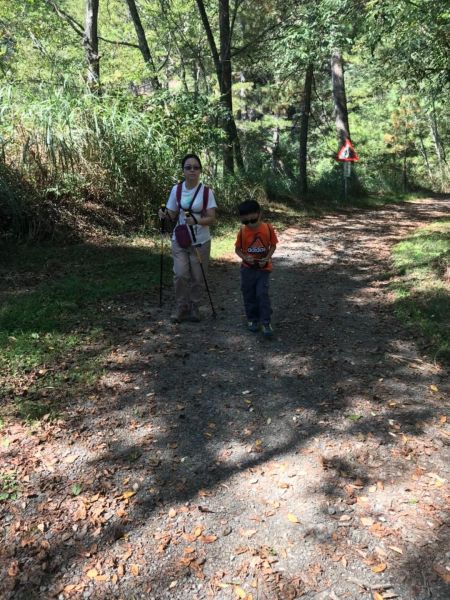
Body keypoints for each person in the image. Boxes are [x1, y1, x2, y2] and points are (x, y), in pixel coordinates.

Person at [159, 154, 217, 323]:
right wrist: (163, 213)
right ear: (183, 170)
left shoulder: (207, 192)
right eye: (188, 167)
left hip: (201, 241)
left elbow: (212, 218)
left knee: (198, 277)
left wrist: (197, 220)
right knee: (180, 274)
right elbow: (171, 214)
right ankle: (181, 306)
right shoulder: (176, 190)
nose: (192, 170)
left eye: (195, 167)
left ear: (200, 171)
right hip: (181, 239)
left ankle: (195, 306)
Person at [235, 199, 278, 337]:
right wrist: (244, 257)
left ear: (259, 214)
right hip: (247, 269)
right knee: (249, 294)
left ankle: (266, 322)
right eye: (245, 221)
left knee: (261, 293)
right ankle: (252, 319)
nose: (249, 224)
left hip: (263, 268)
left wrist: (267, 257)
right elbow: (237, 249)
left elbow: (273, 245)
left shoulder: (268, 228)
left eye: (252, 220)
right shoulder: (242, 232)